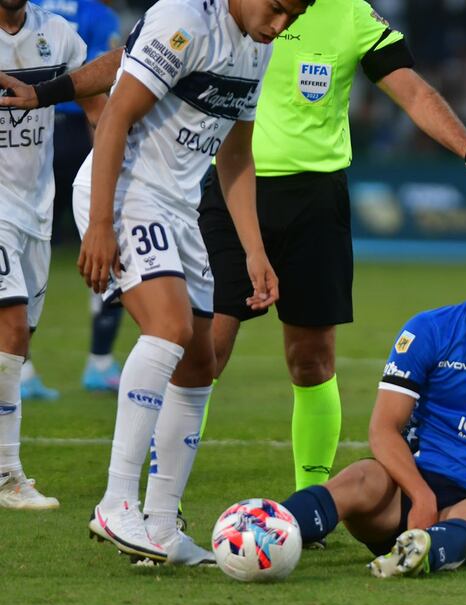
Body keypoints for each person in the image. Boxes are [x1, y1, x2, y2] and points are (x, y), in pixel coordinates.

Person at [196, 0, 466, 495]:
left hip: (315, 202)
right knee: (208, 346)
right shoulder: (236, 5)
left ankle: (308, 497)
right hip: (231, 187)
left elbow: (413, 91)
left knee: (311, 358)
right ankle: (163, 485)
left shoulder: (352, 14)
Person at [70, 0, 310, 565]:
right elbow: (116, 119)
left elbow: (236, 158)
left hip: (181, 209)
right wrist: (101, 223)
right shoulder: (184, 20)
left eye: (293, 18)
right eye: (277, 8)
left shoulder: (259, 45)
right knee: (170, 329)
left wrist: (255, 251)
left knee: (200, 363)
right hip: (127, 193)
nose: (280, 25)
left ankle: (160, 524)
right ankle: (115, 502)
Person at [275, 229, 466, 577]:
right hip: (404, 497)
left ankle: (421, 555)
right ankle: (271, 527)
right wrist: (421, 495)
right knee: (362, 475)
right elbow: (384, 429)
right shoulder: (432, 330)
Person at [0, 0, 104, 508]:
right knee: (11, 328)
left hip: (36, 209)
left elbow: (96, 105)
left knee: (15, 348)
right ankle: (7, 477)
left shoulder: (59, 35)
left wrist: (116, 169)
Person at [38, 0, 124, 393]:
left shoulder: (30, 10)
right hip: (78, 134)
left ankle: (17, 368)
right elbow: (103, 89)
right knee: (109, 249)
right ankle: (100, 361)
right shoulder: (97, 14)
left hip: (32, 133)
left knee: (27, 249)